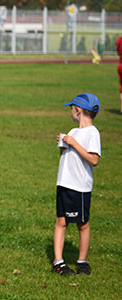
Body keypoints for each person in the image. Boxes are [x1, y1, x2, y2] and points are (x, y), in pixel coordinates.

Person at [51, 93, 101, 276]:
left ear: (78, 111)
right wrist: (64, 146)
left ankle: (82, 261)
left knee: (82, 223)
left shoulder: (92, 133)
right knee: (61, 221)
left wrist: (74, 144)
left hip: (79, 186)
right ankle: (58, 262)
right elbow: (66, 158)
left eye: (72, 110)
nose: (71, 113)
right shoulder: (72, 132)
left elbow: (93, 159)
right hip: (64, 183)